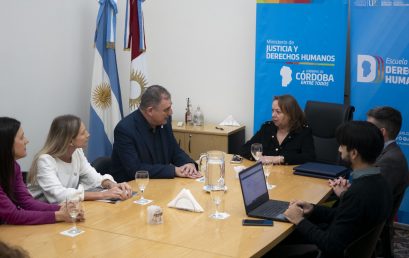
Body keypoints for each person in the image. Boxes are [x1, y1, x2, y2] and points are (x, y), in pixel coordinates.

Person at [281, 121, 392, 258]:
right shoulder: (380, 182)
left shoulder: (358, 193)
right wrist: (313, 209)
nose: (339, 149)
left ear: (354, 153)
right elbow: (345, 217)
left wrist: (299, 220)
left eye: (342, 145)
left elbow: (331, 245)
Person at [28, 115, 132, 204]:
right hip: (41, 214)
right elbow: (58, 196)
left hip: (66, 210)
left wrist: (112, 185)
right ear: (69, 141)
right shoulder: (45, 161)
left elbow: (93, 178)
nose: (88, 135)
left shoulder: (77, 152)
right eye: (83, 133)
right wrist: (102, 195)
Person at [0, 117, 82, 225]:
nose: (26, 141)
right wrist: (59, 215)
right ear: (6, 143)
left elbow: (27, 202)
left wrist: (61, 208)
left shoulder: (14, 166)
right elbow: (13, 215)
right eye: (21, 138)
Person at [111, 85, 201, 182]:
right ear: (150, 111)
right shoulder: (125, 129)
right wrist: (174, 170)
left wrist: (188, 164)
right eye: (166, 109)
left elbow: (174, 151)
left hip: (159, 183)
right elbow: (135, 169)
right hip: (131, 188)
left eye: (170, 107)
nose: (171, 112)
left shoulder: (164, 121)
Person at [240, 94, 315, 165]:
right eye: (272, 111)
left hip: (289, 176)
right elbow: (244, 149)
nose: (273, 115)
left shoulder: (303, 131)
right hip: (267, 173)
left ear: (290, 114)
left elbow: (309, 157)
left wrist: (280, 159)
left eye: (278, 112)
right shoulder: (267, 128)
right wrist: (259, 157)